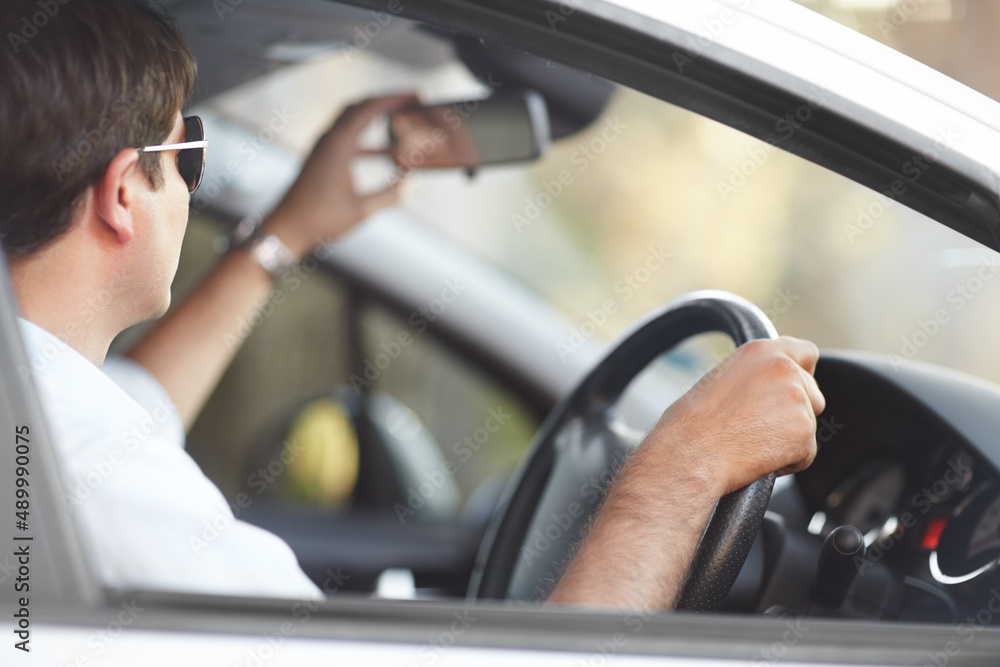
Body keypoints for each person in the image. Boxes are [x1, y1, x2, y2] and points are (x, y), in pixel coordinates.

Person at [0, 0, 824, 608]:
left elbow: (135, 409)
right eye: (188, 151)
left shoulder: (43, 410)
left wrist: (290, 228)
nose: (190, 182)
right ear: (120, 194)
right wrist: (679, 472)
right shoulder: (91, 478)